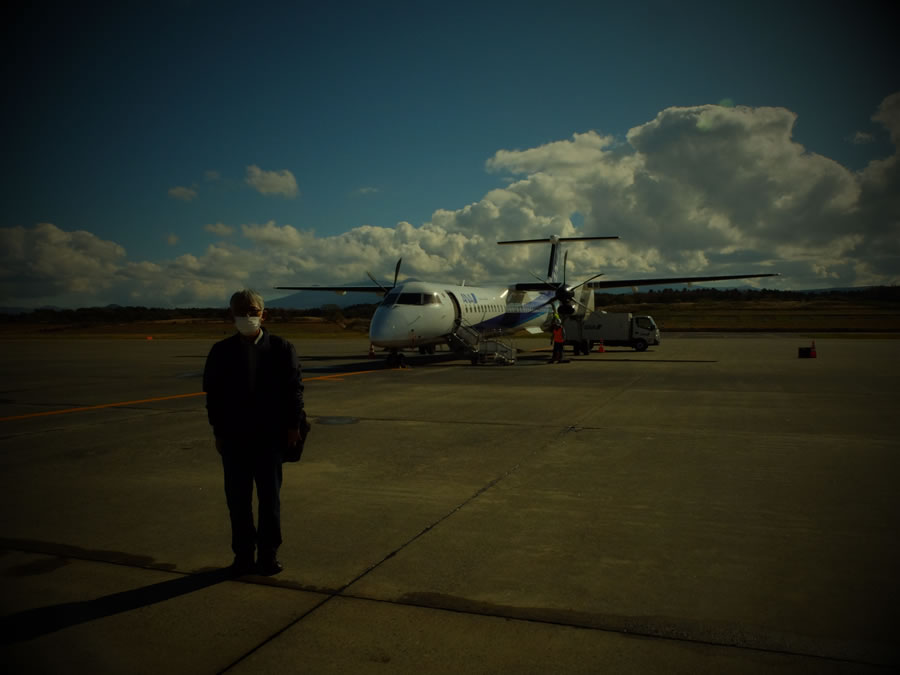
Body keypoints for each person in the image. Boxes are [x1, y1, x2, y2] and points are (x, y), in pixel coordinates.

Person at [203, 289, 306, 575]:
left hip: (269, 437)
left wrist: (293, 426)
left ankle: (268, 555)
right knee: (237, 501)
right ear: (231, 315)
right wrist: (218, 432)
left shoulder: (282, 348)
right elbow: (213, 396)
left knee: (269, 499)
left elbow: (294, 391)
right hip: (235, 438)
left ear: (264, 314)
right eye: (240, 311)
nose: (247, 317)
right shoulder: (220, 351)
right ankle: (243, 555)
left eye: (252, 311)